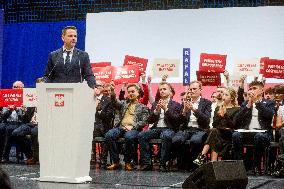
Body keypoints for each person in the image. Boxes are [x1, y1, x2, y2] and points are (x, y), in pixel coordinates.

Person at [138, 81, 181, 171]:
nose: (162, 91)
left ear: (170, 91)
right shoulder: (155, 104)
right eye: (160, 89)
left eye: (164, 89)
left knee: (166, 135)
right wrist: (156, 111)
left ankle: (163, 163)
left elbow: (177, 121)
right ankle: (147, 163)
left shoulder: (176, 105)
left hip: (169, 129)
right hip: (156, 129)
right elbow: (149, 120)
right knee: (142, 135)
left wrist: (166, 109)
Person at [105, 84, 149, 171]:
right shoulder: (124, 104)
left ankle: (128, 162)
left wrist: (132, 127)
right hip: (121, 127)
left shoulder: (143, 107)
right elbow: (114, 102)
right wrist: (113, 92)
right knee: (109, 135)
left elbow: (144, 121)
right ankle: (116, 162)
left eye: (133, 91)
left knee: (128, 137)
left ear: (138, 93)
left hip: (134, 129)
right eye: (129, 92)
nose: (130, 93)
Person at [193, 88, 239, 166]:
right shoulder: (218, 108)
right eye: (223, 94)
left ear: (231, 98)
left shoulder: (236, 109)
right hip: (218, 132)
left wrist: (225, 115)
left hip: (228, 133)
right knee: (215, 133)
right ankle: (213, 163)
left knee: (214, 132)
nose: (223, 96)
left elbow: (233, 125)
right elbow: (214, 124)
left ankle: (202, 156)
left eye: (226, 95)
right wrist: (220, 116)